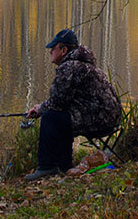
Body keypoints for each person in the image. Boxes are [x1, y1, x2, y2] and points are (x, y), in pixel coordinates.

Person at [21, 28, 123, 182]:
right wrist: (41, 107)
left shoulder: (70, 67)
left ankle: (47, 167)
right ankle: (64, 165)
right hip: (109, 116)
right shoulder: (81, 65)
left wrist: (40, 109)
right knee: (62, 116)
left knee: (50, 118)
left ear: (63, 50)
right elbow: (62, 102)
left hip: (101, 119)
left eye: (53, 48)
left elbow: (57, 102)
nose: (50, 51)